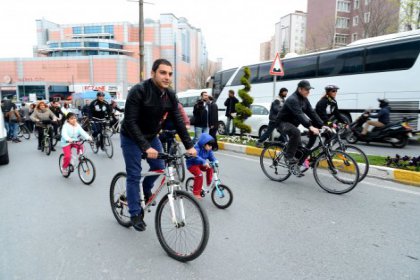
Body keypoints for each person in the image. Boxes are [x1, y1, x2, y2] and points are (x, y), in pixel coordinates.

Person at [120, 58, 197, 232]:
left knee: (159, 167)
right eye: (163, 72)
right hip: (131, 136)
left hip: (151, 135)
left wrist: (189, 146)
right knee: (134, 174)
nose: (167, 77)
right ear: (153, 73)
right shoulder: (138, 91)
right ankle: (135, 213)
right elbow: (130, 122)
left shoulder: (169, 94)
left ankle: (146, 189)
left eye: (170, 74)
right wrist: (146, 148)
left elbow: (178, 121)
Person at [275, 80, 323, 164]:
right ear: (299, 89)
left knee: (299, 149)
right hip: (282, 123)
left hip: (292, 124)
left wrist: (322, 125)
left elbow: (312, 112)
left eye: (309, 90)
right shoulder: (292, 99)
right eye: (306, 90)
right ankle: (288, 156)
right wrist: (310, 126)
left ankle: (295, 165)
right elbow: (299, 114)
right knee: (296, 132)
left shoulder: (304, 99)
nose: (308, 92)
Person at [306, 85, 346, 149]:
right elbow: (323, 116)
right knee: (311, 143)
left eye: (336, 91)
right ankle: (302, 156)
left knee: (331, 136)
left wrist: (344, 122)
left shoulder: (333, 102)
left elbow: (337, 114)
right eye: (333, 91)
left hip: (323, 123)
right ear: (328, 92)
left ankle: (324, 151)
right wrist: (331, 124)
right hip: (315, 124)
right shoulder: (322, 102)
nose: (335, 92)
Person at [186, 133, 217, 200]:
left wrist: (215, 161)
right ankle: (196, 193)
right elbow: (195, 157)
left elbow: (211, 156)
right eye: (209, 145)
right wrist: (204, 162)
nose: (211, 147)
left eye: (211, 146)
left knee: (210, 167)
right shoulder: (197, 148)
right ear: (204, 144)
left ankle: (209, 181)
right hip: (192, 164)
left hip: (200, 164)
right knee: (199, 175)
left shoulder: (209, 150)